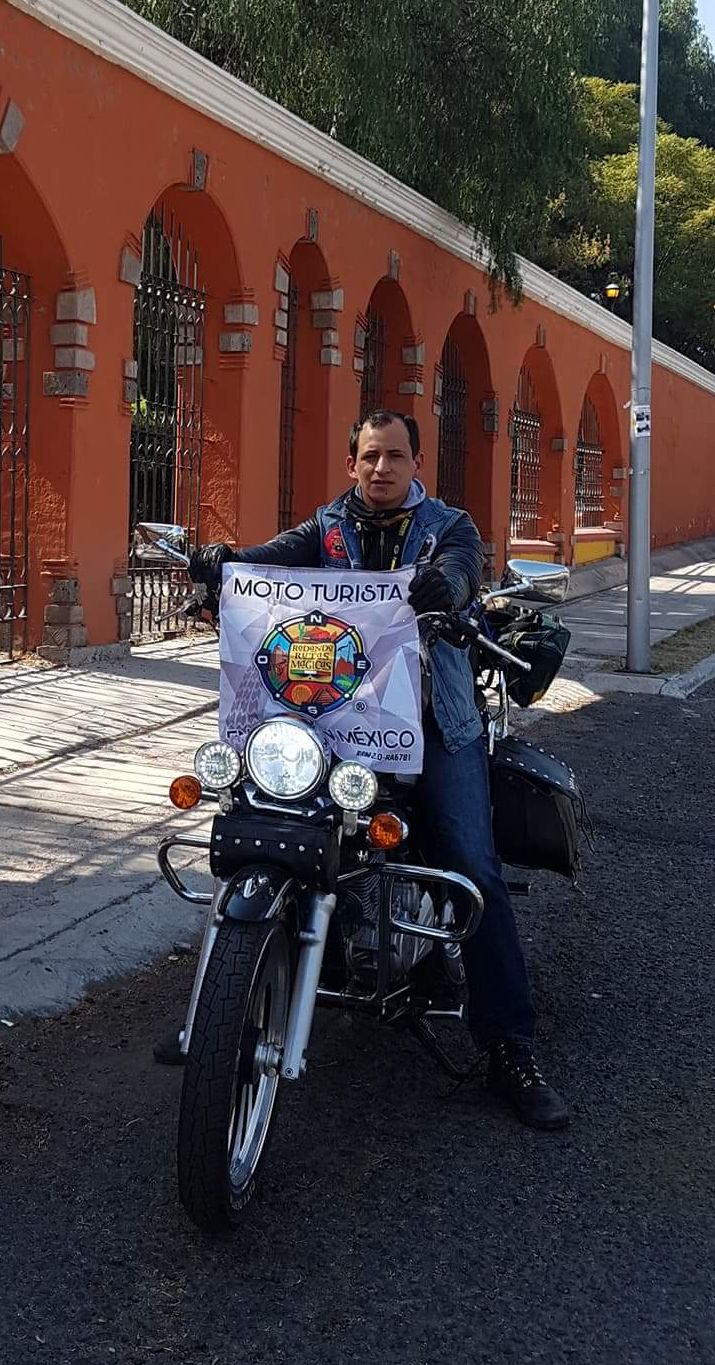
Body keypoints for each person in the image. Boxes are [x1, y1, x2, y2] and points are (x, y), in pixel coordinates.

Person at [175, 407, 569, 1132]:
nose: (380, 469)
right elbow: (266, 563)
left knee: (471, 866)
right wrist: (221, 560)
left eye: (393, 456)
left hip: (431, 717)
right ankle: (221, 1014)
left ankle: (511, 1045)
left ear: (417, 464)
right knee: (273, 818)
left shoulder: (450, 527)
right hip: (333, 715)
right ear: (352, 463)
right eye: (368, 457)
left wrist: (445, 591)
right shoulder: (324, 529)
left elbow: (460, 572)